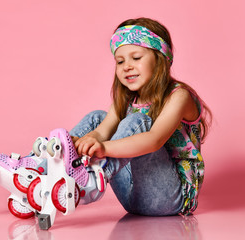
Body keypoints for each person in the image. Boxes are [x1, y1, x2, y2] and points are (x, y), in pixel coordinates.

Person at [69, 17, 212, 216]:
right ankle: (51, 169)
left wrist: (103, 149)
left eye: (136, 58)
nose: (126, 66)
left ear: (160, 59)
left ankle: (93, 177)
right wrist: (82, 143)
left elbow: (154, 140)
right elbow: (102, 131)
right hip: (132, 195)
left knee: (137, 122)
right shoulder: (128, 99)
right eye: (120, 61)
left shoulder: (179, 96)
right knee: (97, 118)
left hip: (169, 198)